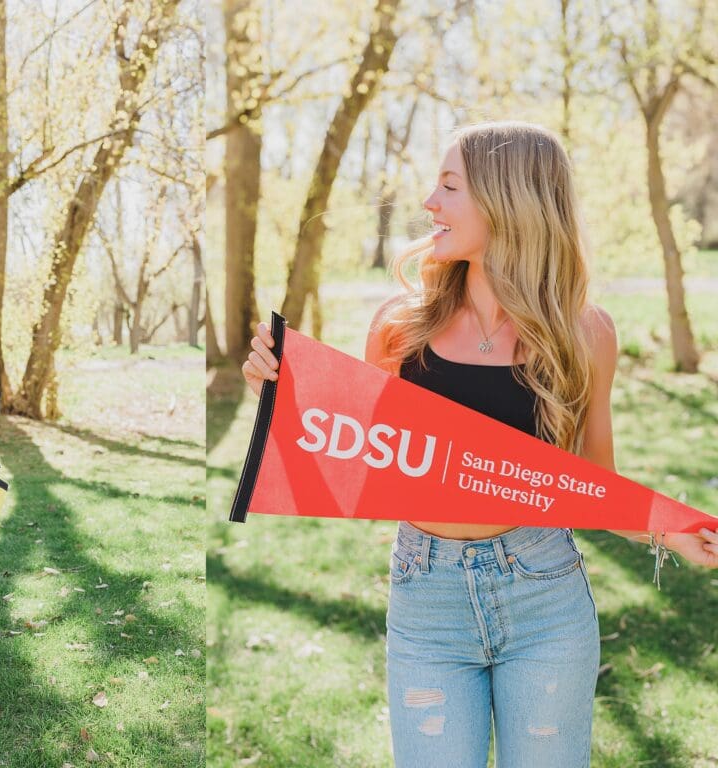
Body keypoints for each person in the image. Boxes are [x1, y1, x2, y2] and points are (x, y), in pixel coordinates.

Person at [241, 121, 718, 767]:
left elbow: (594, 487)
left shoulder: (584, 333)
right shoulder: (398, 329)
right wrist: (274, 392)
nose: (429, 204)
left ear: (508, 198)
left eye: (448, 186)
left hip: (544, 595)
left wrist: (676, 531)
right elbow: (344, 456)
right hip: (426, 600)